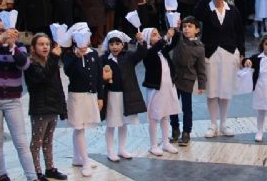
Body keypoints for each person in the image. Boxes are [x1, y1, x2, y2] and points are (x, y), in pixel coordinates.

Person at [0, 19, 36, 181]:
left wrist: (12, 45)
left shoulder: (19, 47)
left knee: (21, 141)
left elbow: (24, 64)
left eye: (3, 30)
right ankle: (1, 175)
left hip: (12, 100)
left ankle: (32, 177)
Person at [194, 0, 245, 138]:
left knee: (225, 90)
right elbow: (195, 14)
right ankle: (213, 123)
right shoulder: (207, 10)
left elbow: (239, 32)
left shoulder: (233, 10)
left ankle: (224, 123)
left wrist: (242, 53)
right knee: (213, 90)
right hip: (211, 53)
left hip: (230, 53)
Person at [62, 30, 109, 177]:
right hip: (77, 96)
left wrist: (100, 96)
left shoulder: (94, 53)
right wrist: (77, 57)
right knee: (79, 127)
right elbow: (68, 71)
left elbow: (98, 76)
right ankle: (85, 160)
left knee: (81, 127)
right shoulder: (70, 54)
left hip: (91, 95)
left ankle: (78, 157)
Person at [24, 34, 68, 181]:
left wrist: (62, 107)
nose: (45, 47)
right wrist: (55, 59)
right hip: (40, 108)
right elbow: (43, 78)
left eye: (47, 44)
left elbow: (58, 85)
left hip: (53, 107)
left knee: (48, 140)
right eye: (41, 44)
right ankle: (36, 172)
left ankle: (50, 168)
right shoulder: (31, 64)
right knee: (37, 142)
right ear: (34, 47)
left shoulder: (51, 62)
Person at [100, 30, 147, 161]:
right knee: (111, 124)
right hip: (111, 96)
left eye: (117, 43)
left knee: (123, 123)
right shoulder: (104, 59)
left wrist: (141, 41)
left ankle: (121, 148)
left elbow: (142, 53)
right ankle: (110, 151)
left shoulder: (129, 57)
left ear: (123, 45)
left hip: (126, 95)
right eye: (111, 44)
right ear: (108, 45)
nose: (114, 47)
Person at [141, 27, 181, 156]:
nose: (157, 36)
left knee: (166, 115)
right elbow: (155, 48)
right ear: (147, 38)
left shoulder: (162, 51)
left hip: (168, 87)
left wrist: (176, 30)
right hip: (155, 89)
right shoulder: (148, 52)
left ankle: (165, 142)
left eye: (158, 34)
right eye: (154, 35)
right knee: (154, 117)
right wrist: (165, 38)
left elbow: (174, 43)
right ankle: (153, 145)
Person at [169, 16, 207, 146]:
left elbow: (201, 68)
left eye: (190, 26)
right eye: (184, 26)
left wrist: (202, 84)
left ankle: (186, 132)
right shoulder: (178, 39)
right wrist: (175, 26)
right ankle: (175, 128)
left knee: (187, 108)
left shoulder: (200, 48)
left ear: (197, 30)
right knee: (172, 106)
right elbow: (173, 35)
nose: (186, 29)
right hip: (174, 78)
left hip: (187, 80)